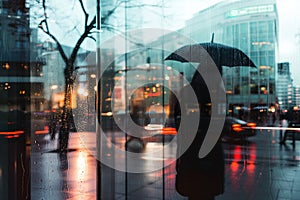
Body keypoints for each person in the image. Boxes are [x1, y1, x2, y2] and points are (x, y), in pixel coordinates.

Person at [173, 69, 225, 200]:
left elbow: (178, 122)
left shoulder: (186, 92)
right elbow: (221, 126)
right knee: (206, 192)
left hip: (191, 154)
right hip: (209, 154)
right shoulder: (218, 93)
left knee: (194, 191)